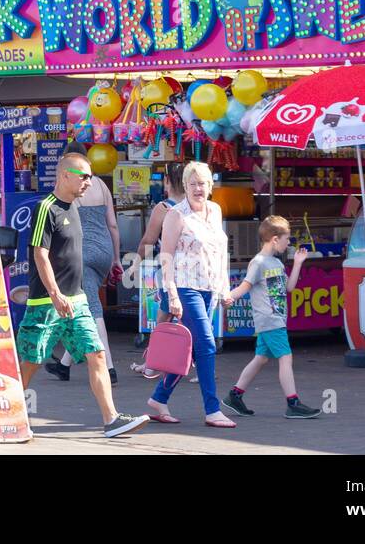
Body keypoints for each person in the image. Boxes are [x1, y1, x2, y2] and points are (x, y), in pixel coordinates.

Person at [16, 151, 149, 438]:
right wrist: (54, 294)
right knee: (32, 361)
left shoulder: (74, 207)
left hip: (77, 300)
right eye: (84, 176)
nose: (89, 182)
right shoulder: (46, 208)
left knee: (97, 353)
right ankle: (11, 410)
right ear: (65, 175)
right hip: (46, 303)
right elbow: (40, 255)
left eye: (90, 176)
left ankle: (111, 419)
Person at [146, 161, 234, 428]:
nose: (199, 188)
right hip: (185, 287)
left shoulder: (215, 211)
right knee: (206, 344)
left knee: (190, 348)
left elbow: (220, 252)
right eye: (193, 183)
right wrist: (171, 294)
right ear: (184, 186)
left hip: (209, 287)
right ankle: (212, 409)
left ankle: (159, 400)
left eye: (203, 183)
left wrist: (224, 286)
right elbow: (167, 256)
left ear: (210, 186)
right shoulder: (177, 215)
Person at [222, 216, 321, 419]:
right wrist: (227, 296)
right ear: (275, 239)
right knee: (285, 357)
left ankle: (235, 396)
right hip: (270, 319)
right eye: (287, 239)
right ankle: (293, 402)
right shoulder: (258, 263)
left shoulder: (275, 262)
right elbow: (245, 286)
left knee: (261, 359)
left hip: (274, 318)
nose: (289, 243)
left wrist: (298, 263)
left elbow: (289, 288)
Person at [46, 144, 121, 386]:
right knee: (84, 306)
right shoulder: (100, 185)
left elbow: (66, 224)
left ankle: (108, 367)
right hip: (104, 251)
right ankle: (64, 366)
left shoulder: (71, 187)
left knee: (93, 310)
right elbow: (113, 224)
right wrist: (116, 257)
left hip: (83, 252)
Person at [130, 162, 185, 379]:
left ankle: (152, 363)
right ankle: (195, 366)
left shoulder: (164, 208)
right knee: (193, 320)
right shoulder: (197, 206)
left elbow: (148, 241)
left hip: (171, 270)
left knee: (164, 318)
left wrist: (135, 263)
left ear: (167, 182)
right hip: (195, 270)